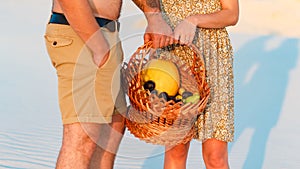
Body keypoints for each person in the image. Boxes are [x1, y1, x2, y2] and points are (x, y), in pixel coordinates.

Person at [132, 0, 239, 168]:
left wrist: (193, 20)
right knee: (176, 150)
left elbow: (232, 14)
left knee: (216, 156)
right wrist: (153, 20)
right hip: (173, 54)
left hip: (213, 58)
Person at [44, 0, 127, 168]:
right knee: (82, 139)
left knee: (111, 131)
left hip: (107, 35)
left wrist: (153, 16)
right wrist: (98, 47)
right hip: (83, 33)